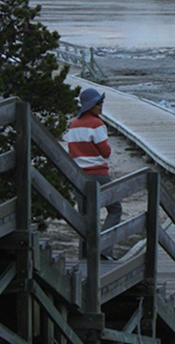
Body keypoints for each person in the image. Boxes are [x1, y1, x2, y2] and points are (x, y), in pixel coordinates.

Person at [66, 87, 123, 260]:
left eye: (101, 102)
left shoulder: (73, 124)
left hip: (79, 176)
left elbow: (71, 150)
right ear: (90, 105)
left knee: (85, 216)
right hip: (98, 173)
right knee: (115, 209)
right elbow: (105, 152)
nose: (101, 106)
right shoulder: (97, 124)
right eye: (98, 103)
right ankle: (104, 249)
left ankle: (84, 255)